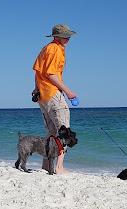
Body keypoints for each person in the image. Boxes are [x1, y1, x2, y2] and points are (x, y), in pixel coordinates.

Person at [32, 24, 77, 174]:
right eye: (65, 35)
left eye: (68, 35)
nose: (68, 38)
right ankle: (59, 167)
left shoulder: (46, 48)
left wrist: (37, 89)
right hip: (52, 94)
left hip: (43, 97)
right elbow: (51, 74)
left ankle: (47, 165)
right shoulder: (56, 49)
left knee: (51, 132)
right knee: (64, 132)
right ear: (56, 36)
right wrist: (68, 91)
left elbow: (38, 72)